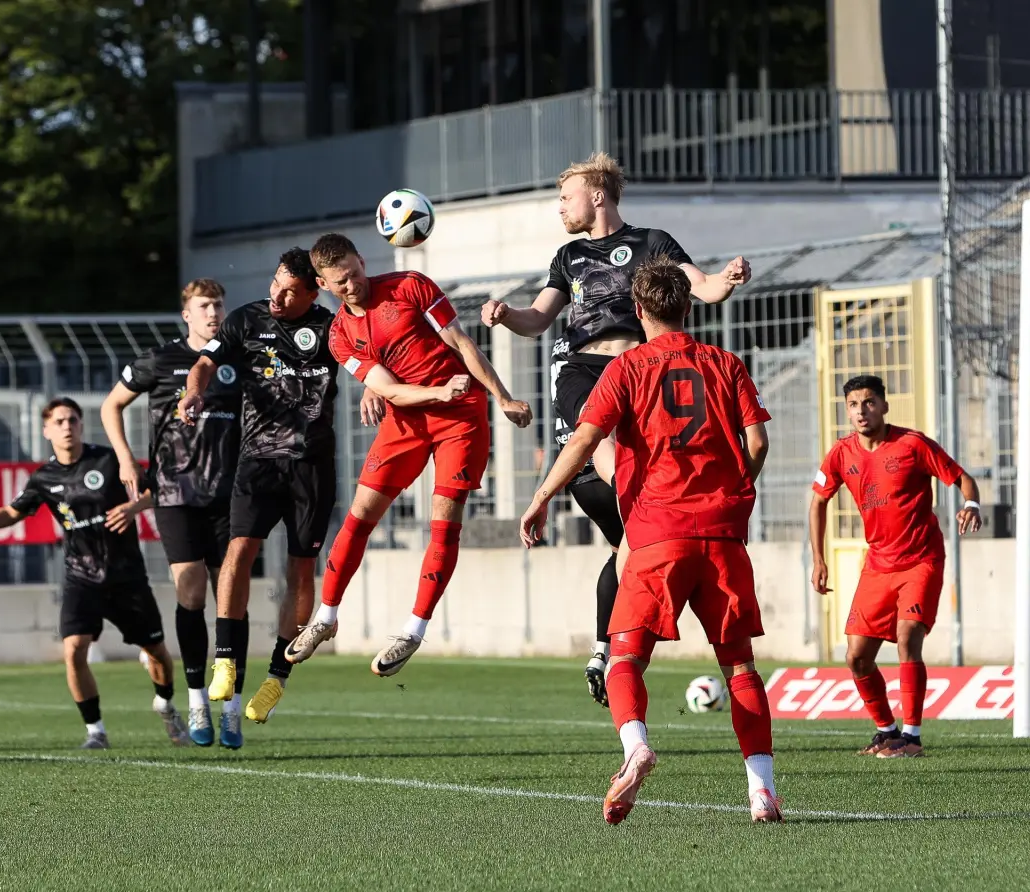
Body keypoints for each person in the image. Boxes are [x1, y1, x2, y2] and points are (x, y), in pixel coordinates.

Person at [482, 152, 751, 706]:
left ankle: (606, 647)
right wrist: (507, 316)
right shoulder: (568, 256)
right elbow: (538, 319)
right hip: (582, 370)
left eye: (566, 197)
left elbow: (702, 287)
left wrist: (726, 280)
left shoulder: (653, 242)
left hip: (640, 374)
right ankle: (645, 513)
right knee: (604, 449)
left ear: (597, 195)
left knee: (626, 542)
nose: (560, 207)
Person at [519, 256, 780, 824]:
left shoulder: (627, 368)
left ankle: (636, 746)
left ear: (638, 310)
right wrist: (735, 489)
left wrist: (541, 497)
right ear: (688, 306)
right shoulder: (725, 362)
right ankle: (762, 792)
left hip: (657, 535)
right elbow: (758, 442)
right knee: (740, 667)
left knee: (625, 659)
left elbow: (584, 440)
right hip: (721, 534)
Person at [283, 233, 532, 676]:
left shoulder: (410, 286)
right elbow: (390, 389)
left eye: (355, 273)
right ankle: (325, 617)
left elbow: (461, 342)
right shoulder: (339, 335)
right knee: (361, 513)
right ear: (323, 285)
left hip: (461, 418)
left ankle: (413, 631)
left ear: (362, 261)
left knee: (444, 518)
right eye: (341, 282)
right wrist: (436, 392)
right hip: (407, 419)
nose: (352, 285)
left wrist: (503, 397)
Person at [0, 398, 187, 749]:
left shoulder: (108, 460)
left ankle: (165, 704)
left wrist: (134, 507)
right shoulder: (44, 478)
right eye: (59, 421)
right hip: (80, 576)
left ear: (81, 425)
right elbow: (10, 513)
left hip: (126, 575)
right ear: (46, 430)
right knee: (74, 650)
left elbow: (154, 488)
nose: (67, 426)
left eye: (72, 420)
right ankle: (96, 731)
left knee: (157, 652)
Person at [178, 249, 338, 725]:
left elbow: (367, 362)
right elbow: (204, 363)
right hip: (258, 461)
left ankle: (276, 677)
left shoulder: (331, 327)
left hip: (311, 466)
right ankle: (225, 660)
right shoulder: (246, 320)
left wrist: (372, 386)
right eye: (275, 283)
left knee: (301, 571)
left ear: (312, 293)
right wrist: (194, 391)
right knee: (239, 550)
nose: (277, 296)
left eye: (289, 291)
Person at [101, 278, 246, 749]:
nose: (213, 313)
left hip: (229, 494)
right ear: (187, 314)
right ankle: (198, 698)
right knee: (192, 591)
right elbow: (111, 406)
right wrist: (125, 459)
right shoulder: (159, 360)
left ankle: (232, 708)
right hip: (174, 493)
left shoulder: (238, 358)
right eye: (204, 306)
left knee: (232, 599)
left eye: (217, 305)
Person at [807, 375, 981, 758]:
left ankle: (912, 738)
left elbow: (963, 479)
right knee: (856, 657)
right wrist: (818, 559)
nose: (861, 411)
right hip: (878, 563)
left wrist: (971, 504)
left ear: (884, 406)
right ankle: (887, 732)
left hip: (921, 559)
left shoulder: (912, 444)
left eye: (869, 402)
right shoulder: (841, 454)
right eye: (854, 405)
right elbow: (818, 501)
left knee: (907, 637)